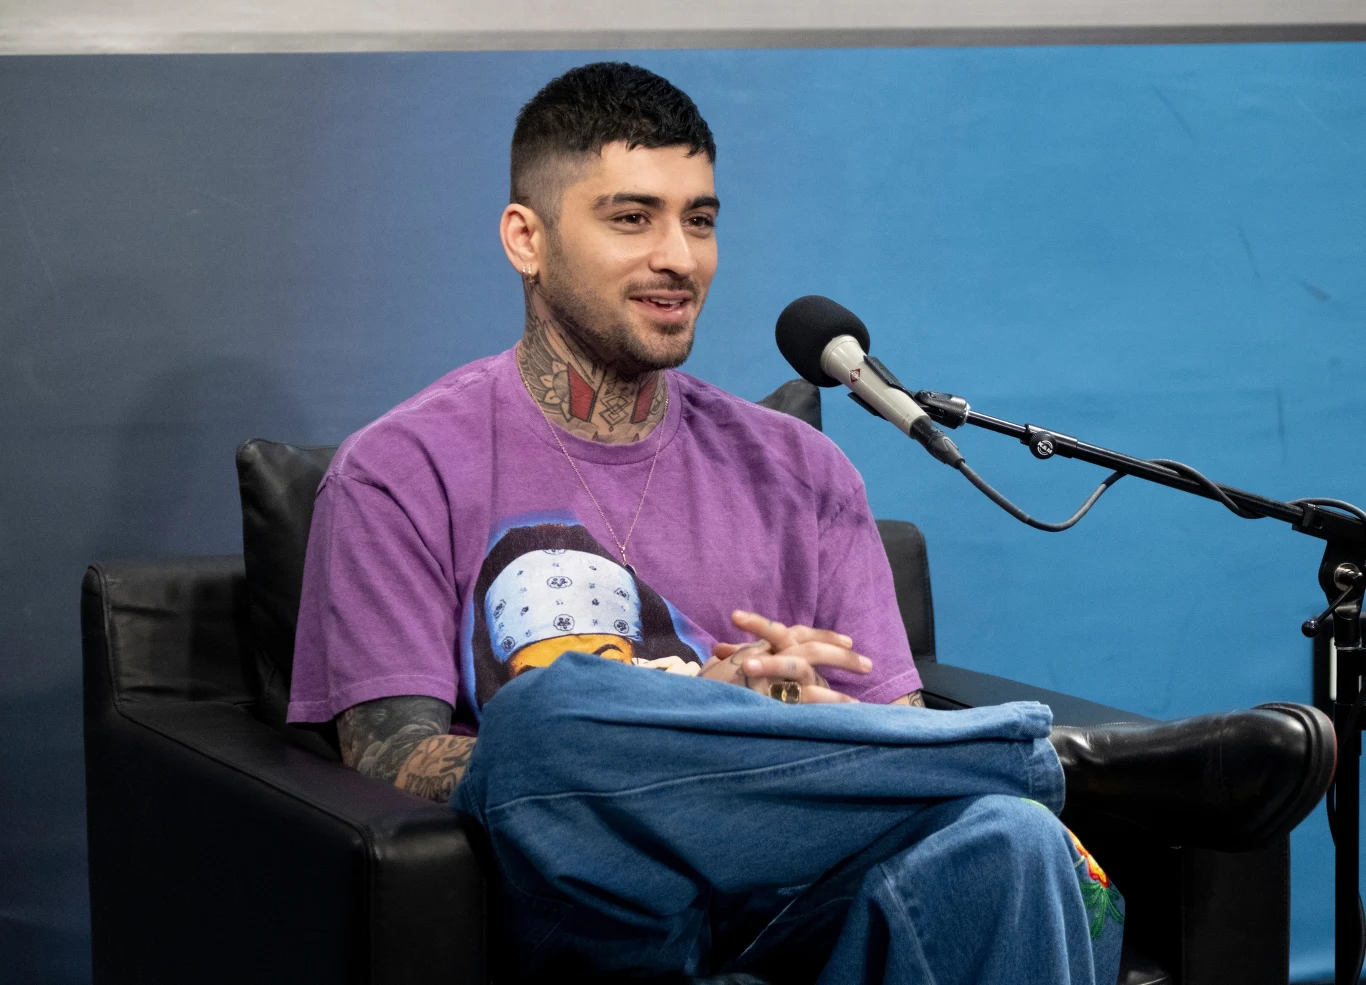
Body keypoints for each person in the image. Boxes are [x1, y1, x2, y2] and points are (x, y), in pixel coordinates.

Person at [288, 63, 1330, 984]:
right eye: (632, 218)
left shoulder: (798, 468)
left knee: (1009, 843)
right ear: (527, 237)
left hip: (802, 901)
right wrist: (703, 708)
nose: (679, 257)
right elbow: (388, 759)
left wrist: (800, 716)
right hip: (600, 905)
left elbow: (896, 745)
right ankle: (1064, 763)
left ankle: (1035, 776)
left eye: (700, 220)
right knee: (542, 716)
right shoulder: (401, 469)